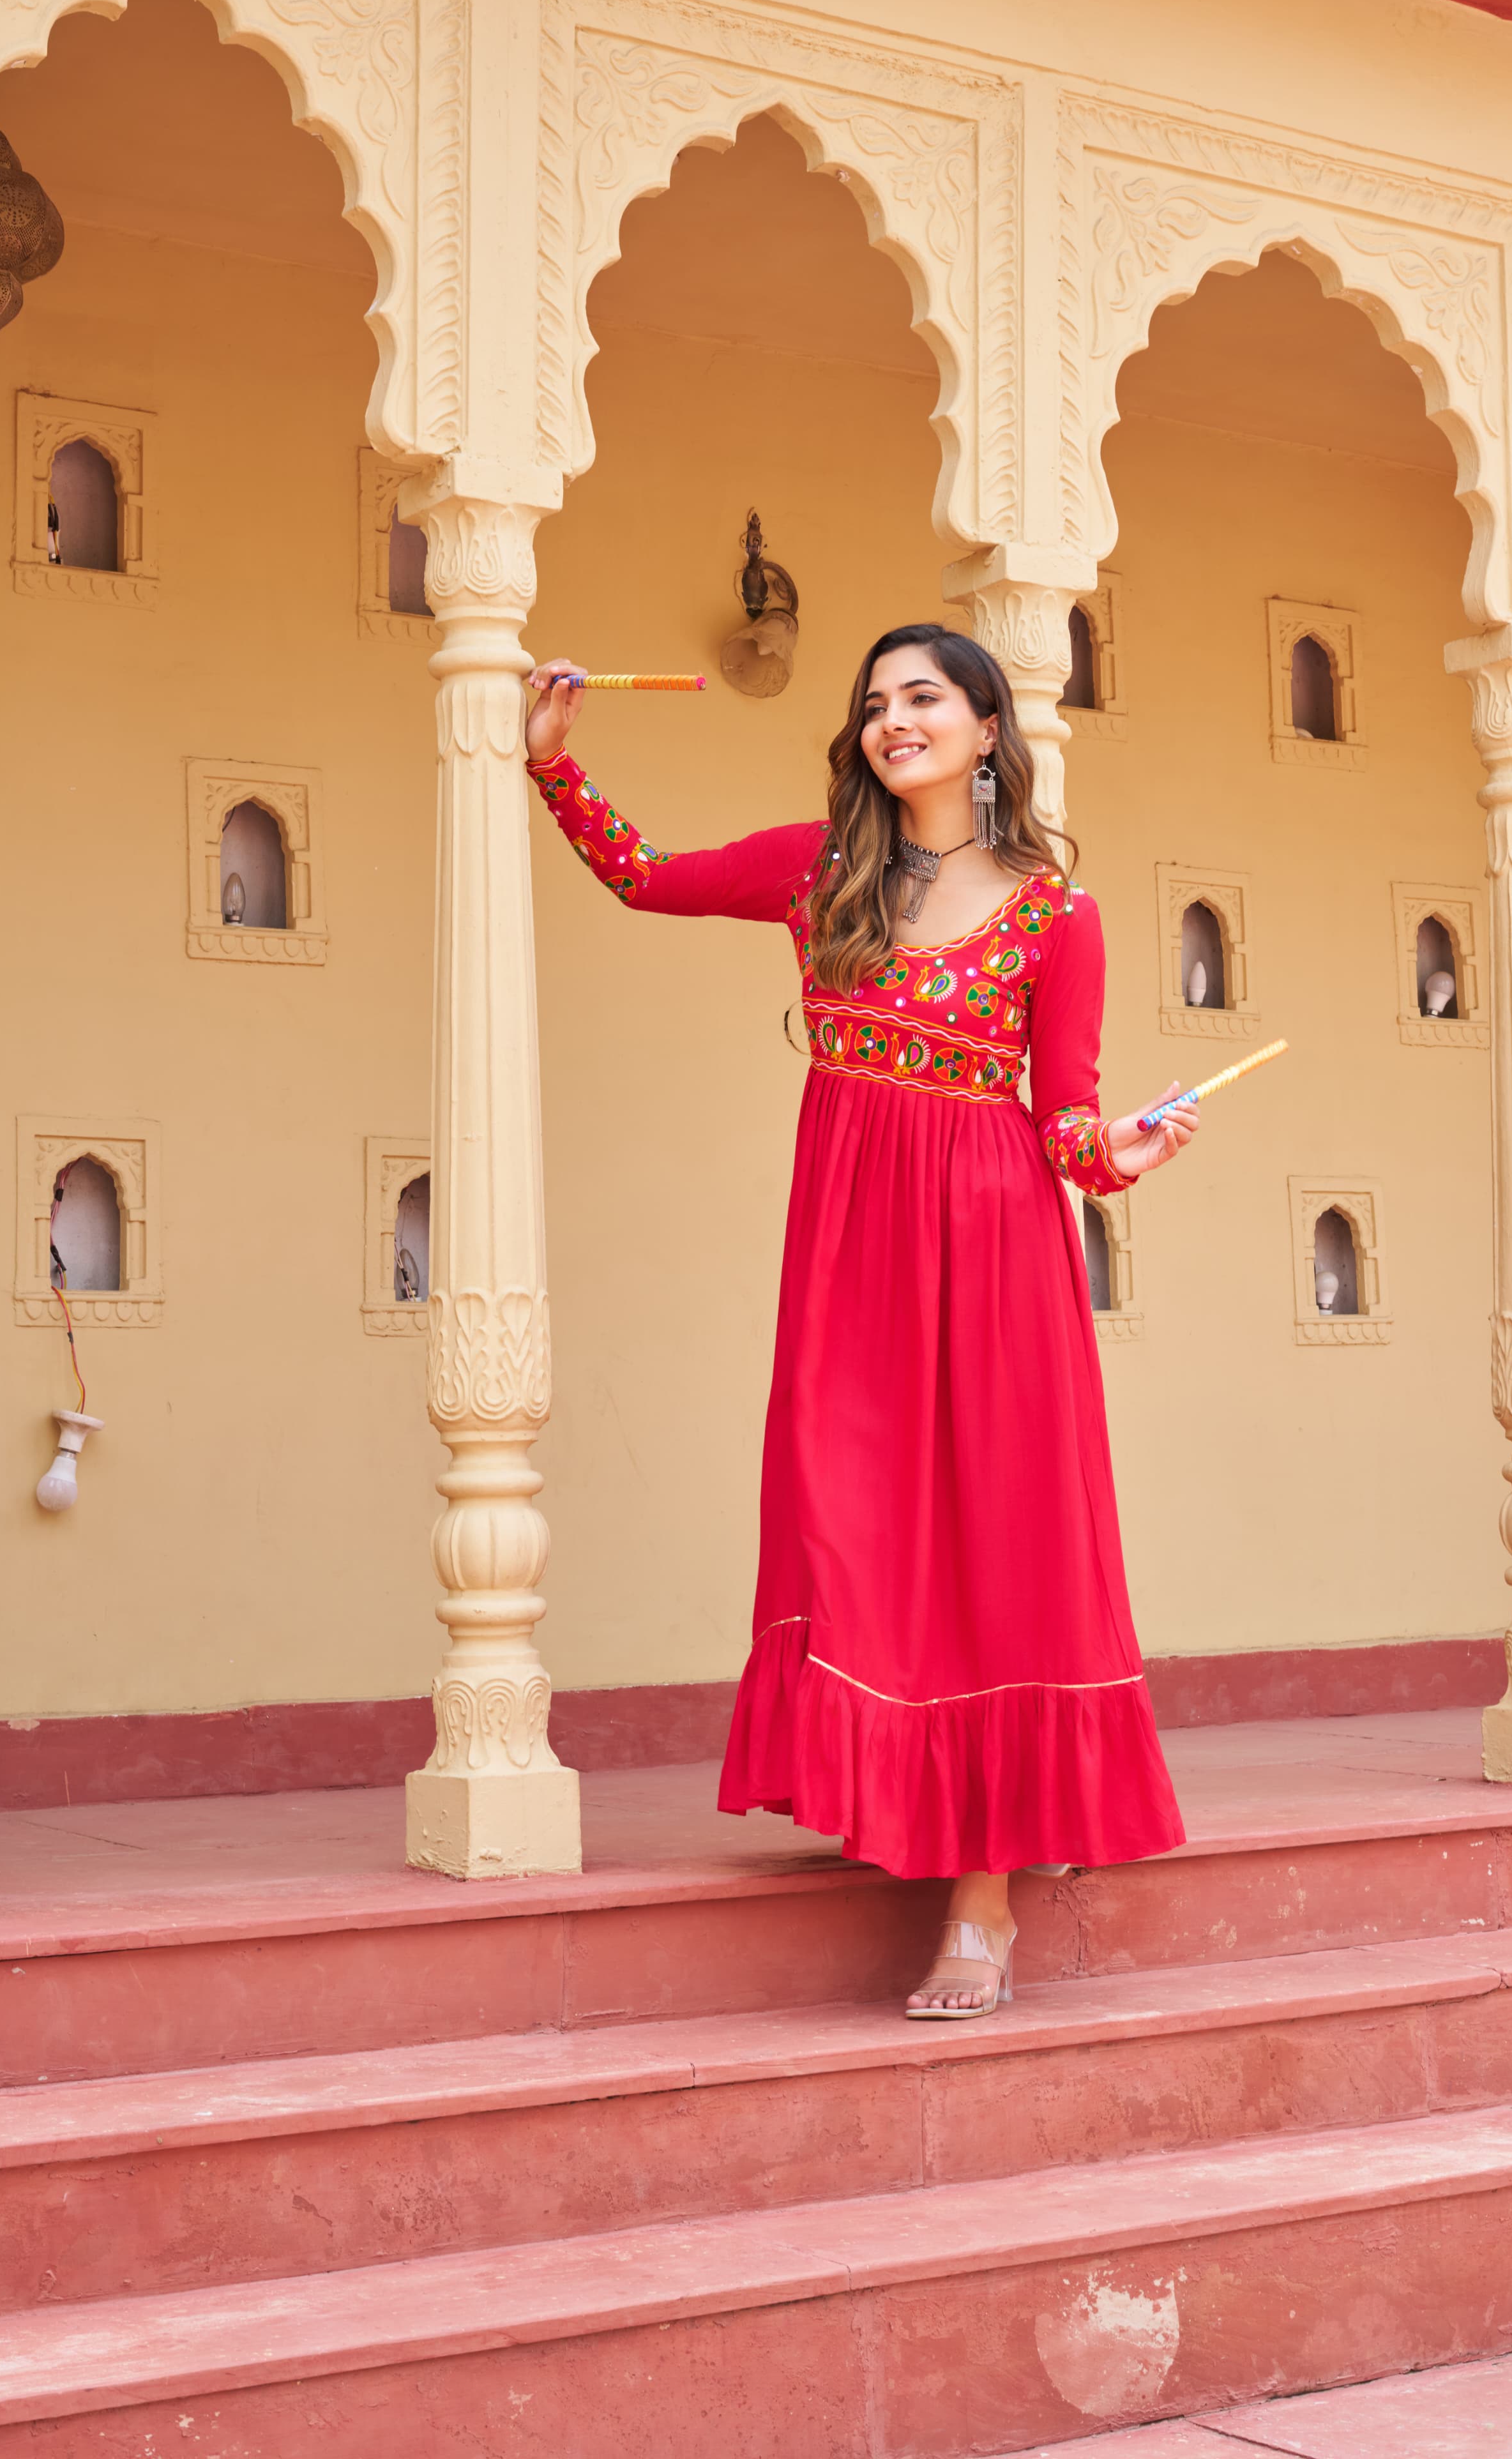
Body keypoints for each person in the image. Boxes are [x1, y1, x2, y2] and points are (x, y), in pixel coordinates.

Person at [524, 625, 1198, 2018]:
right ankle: (895, 1792)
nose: (895, 721)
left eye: (924, 697)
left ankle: (981, 1906)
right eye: (875, 703)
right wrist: (554, 765)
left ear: (987, 724)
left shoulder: (1055, 913)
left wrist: (1119, 1155)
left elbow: (1065, 1118)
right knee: (851, 1518)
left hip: (999, 1250)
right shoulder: (820, 870)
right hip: (851, 1249)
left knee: (1000, 1547)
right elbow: (648, 879)